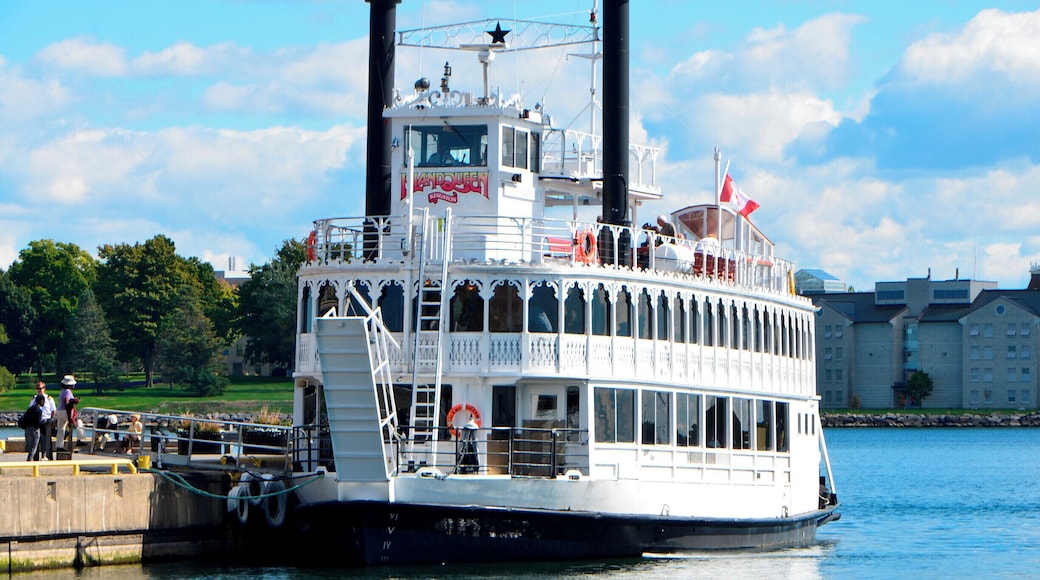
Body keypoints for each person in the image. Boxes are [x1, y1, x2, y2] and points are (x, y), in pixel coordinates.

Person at [32, 381, 56, 461]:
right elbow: (30, 409)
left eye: (41, 388)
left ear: (44, 389)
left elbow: (53, 411)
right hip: (36, 422)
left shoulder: (49, 398)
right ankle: (35, 458)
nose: (39, 390)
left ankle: (46, 457)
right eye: (38, 388)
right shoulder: (34, 399)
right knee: (36, 441)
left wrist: (50, 420)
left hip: (46, 422)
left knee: (46, 441)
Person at [56, 374, 80, 451]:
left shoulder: (62, 391)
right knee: (78, 422)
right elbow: (66, 401)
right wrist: (74, 401)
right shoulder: (68, 392)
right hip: (65, 411)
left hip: (59, 410)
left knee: (61, 429)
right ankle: (80, 439)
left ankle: (59, 446)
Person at [23, 395, 46, 461]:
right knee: (33, 447)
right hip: (34, 430)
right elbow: (38, 423)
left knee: (29, 446)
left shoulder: (30, 409)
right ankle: (30, 460)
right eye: (43, 401)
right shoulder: (38, 411)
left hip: (27, 429)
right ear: (41, 401)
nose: (44, 403)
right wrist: (45, 423)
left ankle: (30, 459)